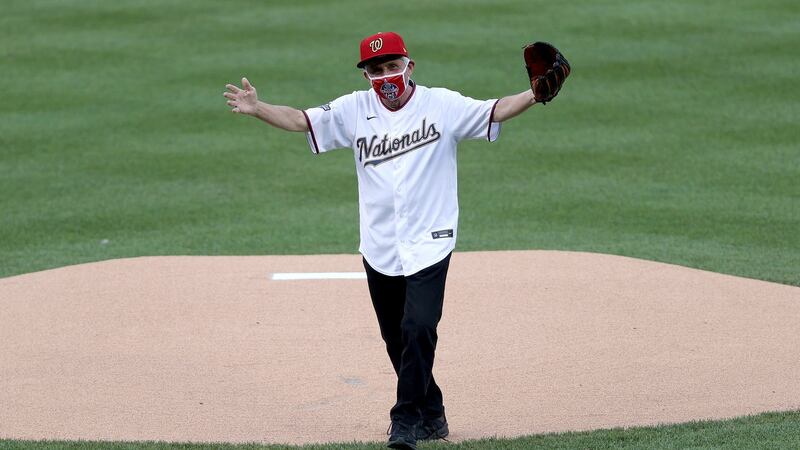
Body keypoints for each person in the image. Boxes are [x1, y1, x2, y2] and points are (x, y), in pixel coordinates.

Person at [224, 31, 546, 450]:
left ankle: (405, 423)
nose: (386, 76)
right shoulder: (354, 109)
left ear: (410, 67)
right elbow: (302, 120)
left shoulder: (441, 104)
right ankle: (433, 414)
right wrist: (257, 108)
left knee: (419, 328)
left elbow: (494, 110)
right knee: (397, 339)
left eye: (393, 66)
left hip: (431, 240)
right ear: (366, 76)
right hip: (379, 245)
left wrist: (534, 94)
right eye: (376, 70)